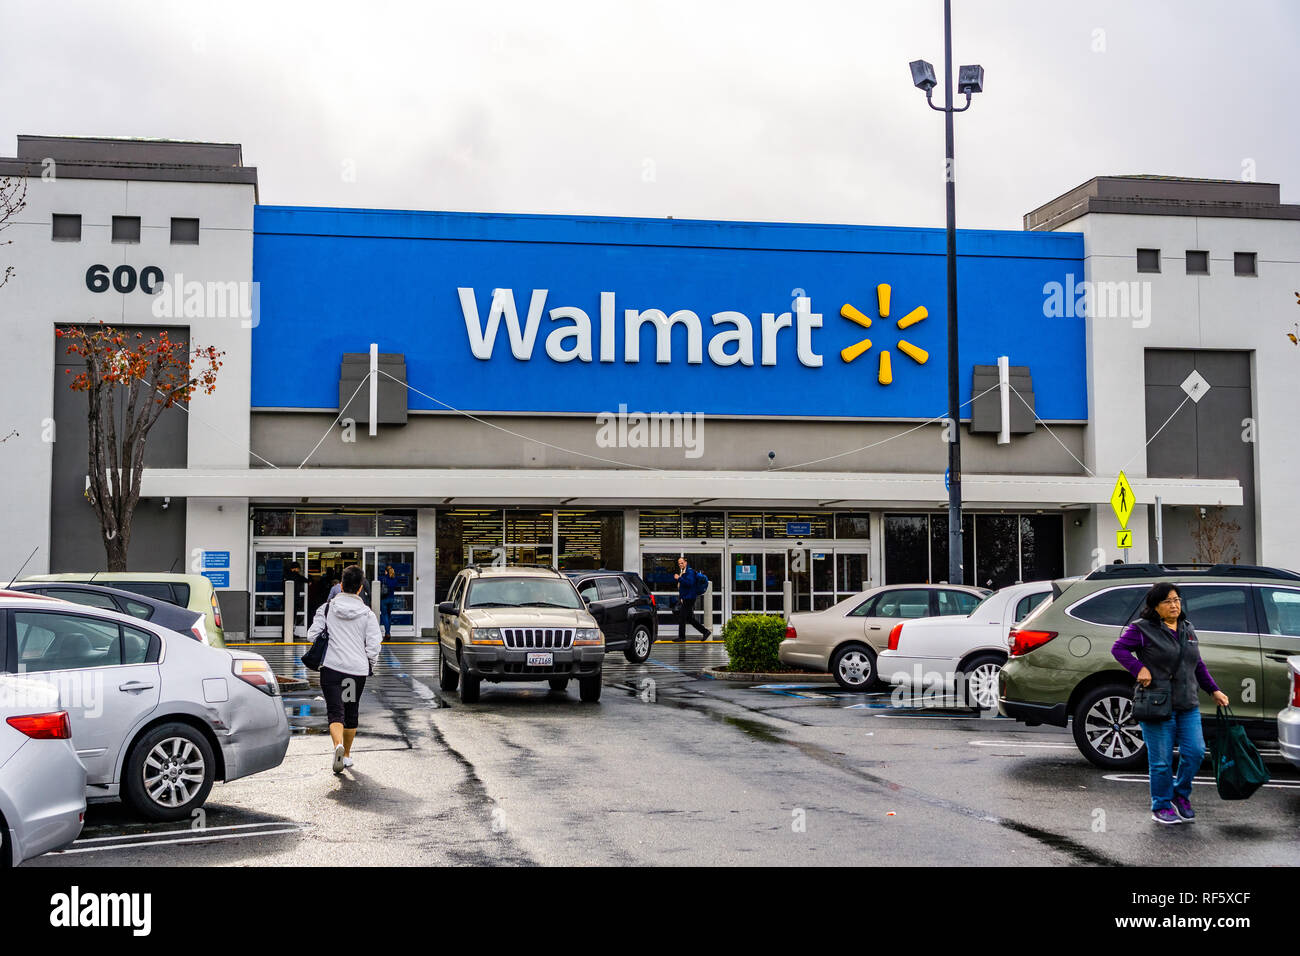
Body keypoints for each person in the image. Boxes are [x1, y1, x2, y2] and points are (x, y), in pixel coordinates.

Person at [1111, 582, 1229, 825]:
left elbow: (1197, 664)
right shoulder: (1142, 629)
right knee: (1162, 761)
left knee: (1195, 752)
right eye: (1168, 601)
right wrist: (1138, 668)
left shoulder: (1187, 628)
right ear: (1155, 606)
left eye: (1177, 599)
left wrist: (1213, 690)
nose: (1174, 604)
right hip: (1157, 704)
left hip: (1188, 703)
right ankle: (1161, 805)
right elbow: (1118, 649)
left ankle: (1180, 794)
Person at [306, 564, 382, 774]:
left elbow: (312, 636)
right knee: (351, 711)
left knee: (335, 712)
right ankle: (346, 755)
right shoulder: (367, 614)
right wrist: (369, 665)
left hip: (331, 668)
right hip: (356, 671)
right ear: (360, 588)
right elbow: (374, 645)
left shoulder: (327, 608)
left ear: (341, 585)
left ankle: (337, 745)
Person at [672, 556, 710, 642]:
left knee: (682, 617)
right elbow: (683, 587)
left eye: (682, 563)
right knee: (689, 618)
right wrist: (681, 597)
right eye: (679, 563)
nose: (680, 565)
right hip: (686, 598)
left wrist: (679, 578)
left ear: (686, 563)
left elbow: (689, 583)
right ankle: (705, 632)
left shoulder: (689, 572)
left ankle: (682, 637)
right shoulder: (684, 572)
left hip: (689, 598)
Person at [285, 561, 310, 637]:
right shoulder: (295, 575)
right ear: (295, 569)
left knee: (287, 617)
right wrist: (309, 581)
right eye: (298, 569)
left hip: (287, 600)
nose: (299, 570)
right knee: (292, 617)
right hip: (294, 600)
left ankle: (286, 633)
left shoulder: (286, 575)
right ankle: (289, 634)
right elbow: (304, 579)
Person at [379, 564, 399, 640]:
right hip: (391, 599)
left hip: (384, 599)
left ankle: (387, 633)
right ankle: (388, 632)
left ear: (386, 572)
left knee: (384, 616)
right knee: (389, 615)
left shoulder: (383, 578)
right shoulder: (394, 579)